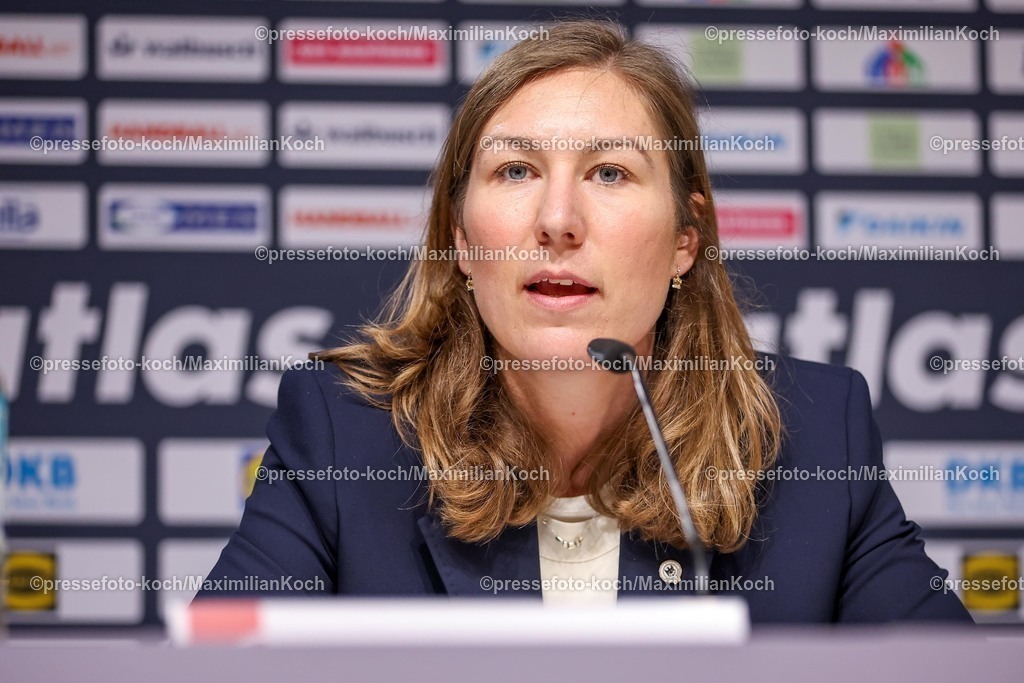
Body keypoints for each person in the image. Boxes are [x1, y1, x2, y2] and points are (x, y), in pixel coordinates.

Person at [198, 20, 971, 622]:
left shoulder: (812, 440)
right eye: (516, 170)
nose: (559, 219)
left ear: (683, 241)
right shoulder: (346, 433)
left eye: (610, 172)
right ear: (462, 240)